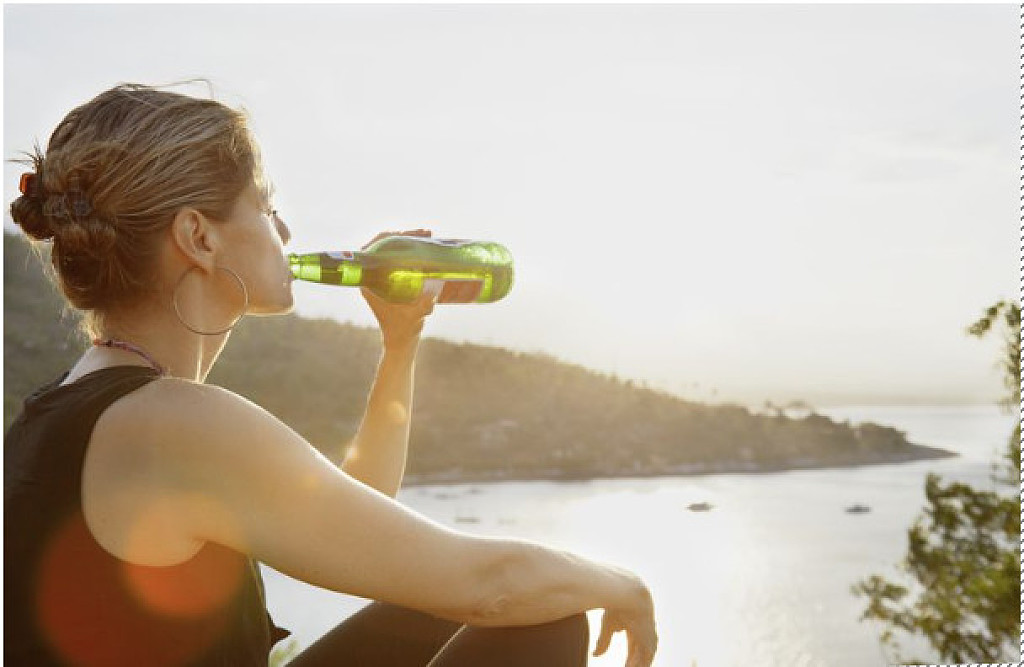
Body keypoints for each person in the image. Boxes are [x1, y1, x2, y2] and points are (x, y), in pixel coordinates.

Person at [4, 83, 658, 667]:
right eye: (265, 206)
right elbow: (492, 586)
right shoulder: (169, 421)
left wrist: (400, 342)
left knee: (446, 606)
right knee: (545, 615)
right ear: (199, 238)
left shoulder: (74, 404)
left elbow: (362, 520)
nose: (285, 231)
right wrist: (623, 586)